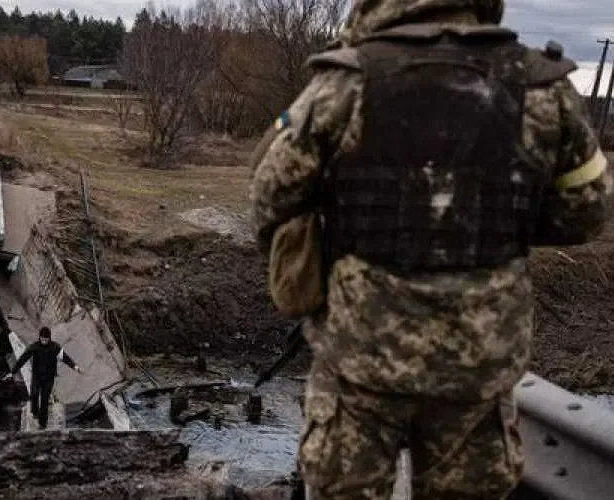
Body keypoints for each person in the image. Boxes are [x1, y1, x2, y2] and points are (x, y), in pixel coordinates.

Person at [250, 0, 613, 499]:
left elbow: (268, 197)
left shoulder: (345, 82)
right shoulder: (540, 86)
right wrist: (487, 224)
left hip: (362, 356)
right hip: (478, 360)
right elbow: (588, 212)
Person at [4, 327, 83, 429]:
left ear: (49, 338)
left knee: (45, 400)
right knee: (34, 394)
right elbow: (22, 359)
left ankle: (42, 424)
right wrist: (13, 372)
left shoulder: (55, 347)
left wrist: (75, 367)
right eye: (42, 339)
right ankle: (35, 412)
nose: (44, 342)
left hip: (49, 378)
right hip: (37, 376)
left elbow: (66, 358)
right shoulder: (34, 347)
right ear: (40, 338)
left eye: (46, 340)